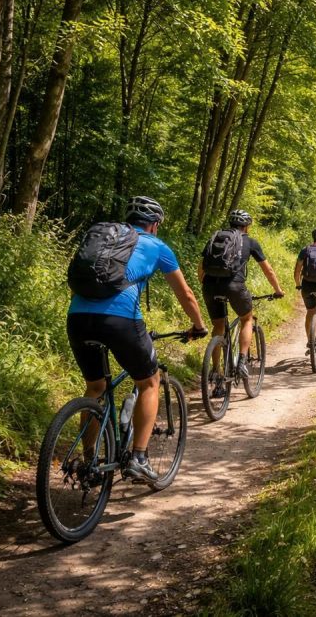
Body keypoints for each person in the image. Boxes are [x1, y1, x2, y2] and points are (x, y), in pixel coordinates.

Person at [67, 196, 208, 482]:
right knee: (149, 382)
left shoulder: (106, 240)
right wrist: (198, 325)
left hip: (78, 317)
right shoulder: (157, 246)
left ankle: (89, 462)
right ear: (154, 224)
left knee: (95, 387)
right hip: (121, 320)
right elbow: (186, 294)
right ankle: (139, 458)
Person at [199, 209, 285, 382]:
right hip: (234, 286)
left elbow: (200, 268)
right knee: (247, 319)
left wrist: (206, 286)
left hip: (209, 286)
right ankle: (242, 362)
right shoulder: (250, 242)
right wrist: (278, 290)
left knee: (218, 326)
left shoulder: (215, 239)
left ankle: (215, 371)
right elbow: (268, 270)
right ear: (246, 226)